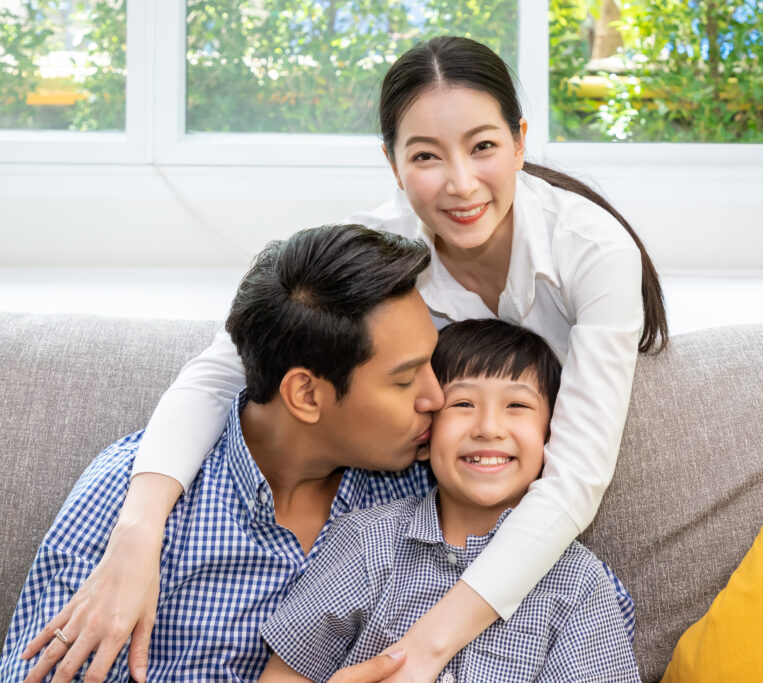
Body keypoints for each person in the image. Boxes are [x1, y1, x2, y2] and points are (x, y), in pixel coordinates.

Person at [22, 35, 667, 682]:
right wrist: (139, 532)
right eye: (425, 154)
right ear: (390, 161)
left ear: (521, 141)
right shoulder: (381, 255)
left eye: (484, 146)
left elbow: (576, 477)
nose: (461, 182)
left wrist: (423, 650)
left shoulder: (589, 254)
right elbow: (221, 369)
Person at [2, 224, 447, 682]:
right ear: (306, 396)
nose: (437, 398)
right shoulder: (127, 494)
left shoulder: (437, 492)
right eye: (404, 380)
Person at [258, 319, 640, 683]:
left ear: (554, 437)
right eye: (462, 405)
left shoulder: (579, 584)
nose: (488, 429)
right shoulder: (365, 542)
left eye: (517, 406)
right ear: (425, 433)